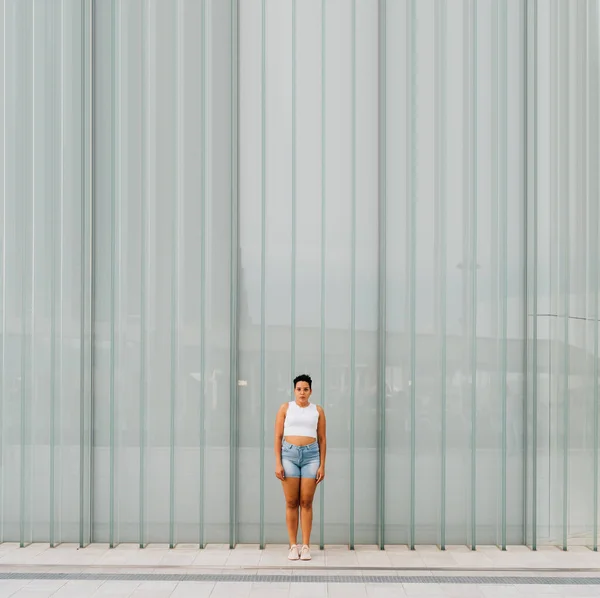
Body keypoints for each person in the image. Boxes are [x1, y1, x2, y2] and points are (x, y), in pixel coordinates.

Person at [274, 374, 326, 561]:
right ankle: (292, 546)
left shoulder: (317, 410)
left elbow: (322, 439)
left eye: (305, 389)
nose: (302, 392)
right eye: (299, 389)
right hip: (289, 455)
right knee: (291, 502)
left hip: (311, 456)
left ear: (310, 391)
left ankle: (305, 546)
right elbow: (278, 436)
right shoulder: (285, 408)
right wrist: (278, 462)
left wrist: (322, 465)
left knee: (306, 501)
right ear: (294, 390)